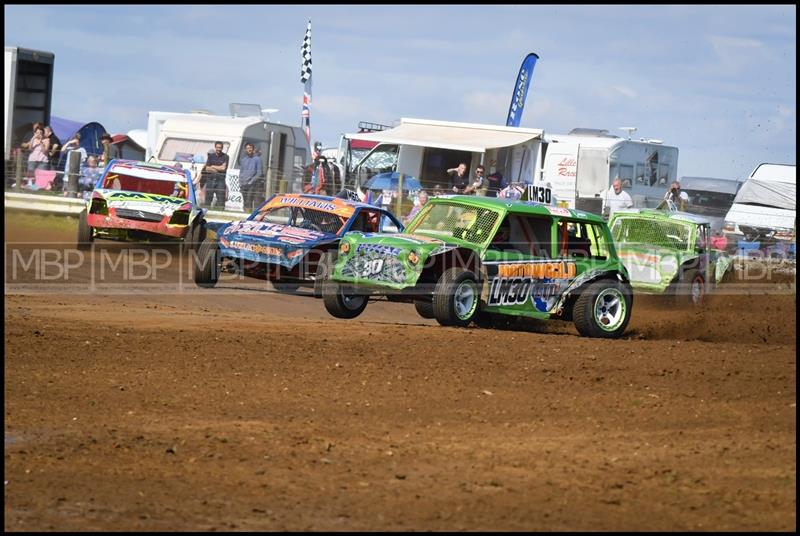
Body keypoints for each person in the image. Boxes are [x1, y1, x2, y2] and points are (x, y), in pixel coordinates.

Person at [201, 141, 229, 209]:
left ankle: (221, 215)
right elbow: (207, 168)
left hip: (220, 181)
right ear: (215, 147)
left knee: (221, 200)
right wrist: (218, 169)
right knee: (208, 199)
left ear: (222, 148)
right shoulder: (211, 156)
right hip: (210, 180)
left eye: (220, 147)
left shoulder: (226, 157)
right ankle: (206, 214)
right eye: (217, 147)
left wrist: (213, 166)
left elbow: (223, 168)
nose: (219, 149)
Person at [239, 142, 264, 213]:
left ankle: (249, 216)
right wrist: (240, 181)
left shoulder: (257, 159)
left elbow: (259, 173)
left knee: (249, 200)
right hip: (243, 184)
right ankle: (245, 215)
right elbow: (241, 172)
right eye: (247, 148)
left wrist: (251, 181)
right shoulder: (243, 160)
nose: (249, 149)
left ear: (253, 149)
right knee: (245, 201)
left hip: (252, 185)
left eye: (250, 148)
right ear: (245, 150)